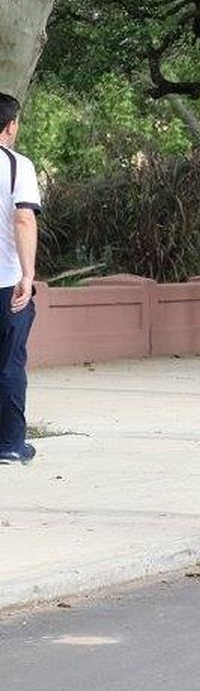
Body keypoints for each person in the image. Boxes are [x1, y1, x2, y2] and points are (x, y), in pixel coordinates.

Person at [0, 93, 40, 465]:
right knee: (10, 361)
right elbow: (24, 218)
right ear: (10, 126)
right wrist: (28, 276)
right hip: (7, 281)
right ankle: (11, 444)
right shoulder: (16, 166)